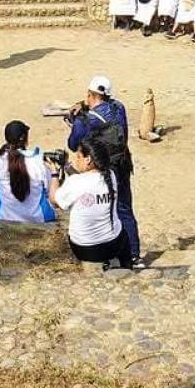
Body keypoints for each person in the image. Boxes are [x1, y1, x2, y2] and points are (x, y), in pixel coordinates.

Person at [65, 75, 142, 266]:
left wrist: (74, 122)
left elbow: (73, 144)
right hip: (122, 164)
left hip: (102, 170)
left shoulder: (87, 121)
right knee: (124, 208)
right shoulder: (119, 108)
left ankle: (105, 253)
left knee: (100, 210)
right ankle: (133, 253)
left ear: (90, 94)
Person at [50, 137, 131, 269]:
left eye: (78, 157)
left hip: (84, 248)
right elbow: (87, 180)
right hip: (112, 245)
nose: (76, 161)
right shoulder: (111, 176)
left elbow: (54, 201)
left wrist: (54, 174)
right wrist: (67, 167)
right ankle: (128, 267)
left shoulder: (75, 182)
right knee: (123, 234)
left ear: (88, 160)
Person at [0, 120, 57, 223]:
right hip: (38, 217)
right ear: (24, 138)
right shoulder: (38, 162)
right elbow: (48, 192)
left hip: (2, 216)